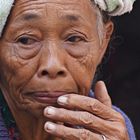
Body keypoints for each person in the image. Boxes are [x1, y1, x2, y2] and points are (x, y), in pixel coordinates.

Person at [0, 0, 136, 140]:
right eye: (25, 40)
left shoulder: (112, 129)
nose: (52, 66)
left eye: (74, 38)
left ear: (103, 43)